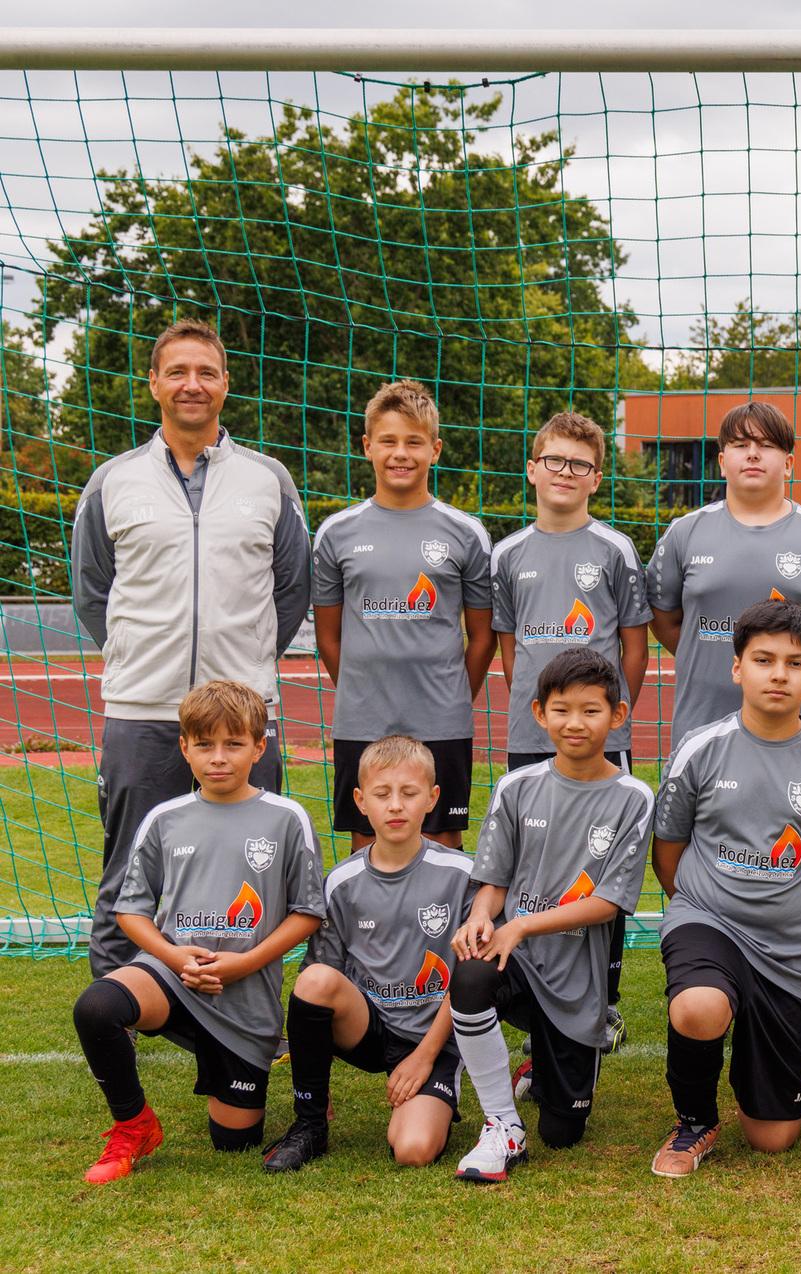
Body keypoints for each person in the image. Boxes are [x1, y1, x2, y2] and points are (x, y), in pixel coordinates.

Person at [69, 318, 312, 977]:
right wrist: (138, 654)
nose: (191, 384)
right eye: (177, 371)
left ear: (226, 384)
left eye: (205, 372)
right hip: (141, 711)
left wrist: (247, 664)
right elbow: (93, 594)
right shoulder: (113, 481)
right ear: (153, 384)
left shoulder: (268, 480)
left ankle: (254, 1009)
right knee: (129, 865)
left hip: (243, 716)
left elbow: (291, 591)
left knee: (253, 867)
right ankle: (117, 1004)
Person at [69, 680, 324, 1183]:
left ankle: (237, 1068)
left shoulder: (287, 818)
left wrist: (243, 964)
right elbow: (131, 911)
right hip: (172, 976)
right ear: (184, 747)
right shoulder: (164, 819)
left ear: (259, 746)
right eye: (204, 744)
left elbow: (308, 912)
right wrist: (172, 955)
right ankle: (133, 1124)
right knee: (97, 1007)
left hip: (244, 995)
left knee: (234, 1142)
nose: (218, 758)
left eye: (233, 744)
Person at [648, 600, 801, 1178]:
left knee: (773, 1138)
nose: (778, 673)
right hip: (709, 922)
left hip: (789, 951)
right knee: (699, 1007)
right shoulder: (700, 748)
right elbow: (667, 853)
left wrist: (791, 908)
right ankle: (693, 1120)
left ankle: (761, 1057)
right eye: (763, 659)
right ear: (737, 668)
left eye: (795, 663)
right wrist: (703, 905)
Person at [446, 650, 654, 1182]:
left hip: (575, 976)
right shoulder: (516, 787)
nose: (575, 724)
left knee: (563, 1134)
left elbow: (608, 902)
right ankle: (501, 1125)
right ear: (539, 713)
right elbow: (494, 879)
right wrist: (482, 916)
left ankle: (549, 1056)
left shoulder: (633, 797)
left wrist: (519, 924)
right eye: (562, 710)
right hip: (517, 959)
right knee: (470, 972)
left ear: (618, 716)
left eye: (591, 711)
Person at [490, 410, 651, 1058]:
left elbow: (632, 649)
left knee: (599, 874)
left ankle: (602, 1004)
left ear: (596, 478)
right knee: (534, 878)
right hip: (534, 740)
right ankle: (538, 1020)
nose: (564, 472)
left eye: (578, 464)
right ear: (533, 469)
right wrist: (546, 714)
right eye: (553, 460)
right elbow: (509, 651)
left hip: (601, 743)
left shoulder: (614, 551)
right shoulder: (507, 553)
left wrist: (611, 717)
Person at [264, 735, 477, 1172]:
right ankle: (309, 1123)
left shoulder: (462, 875)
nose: (395, 805)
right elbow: (321, 978)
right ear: (361, 801)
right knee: (315, 981)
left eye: (409, 793)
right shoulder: (341, 882)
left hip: (435, 1037)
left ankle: (431, 1096)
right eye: (382, 794)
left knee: (413, 1150)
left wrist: (424, 1057)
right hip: (372, 1028)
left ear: (432, 798)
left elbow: (471, 980)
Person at [313, 380, 494, 852]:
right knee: (367, 840)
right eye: (389, 441)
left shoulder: (467, 534)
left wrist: (455, 694)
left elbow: (481, 638)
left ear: (434, 449)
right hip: (362, 721)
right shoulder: (336, 533)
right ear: (368, 446)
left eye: (414, 442)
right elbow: (329, 638)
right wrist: (359, 688)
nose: (401, 453)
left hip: (442, 721)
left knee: (443, 841)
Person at [648, 400, 801, 746]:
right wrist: (707, 652)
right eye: (739, 445)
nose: (752, 454)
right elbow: (663, 620)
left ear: (789, 464)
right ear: (722, 462)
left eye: (766, 445)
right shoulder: (684, 533)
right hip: (702, 732)